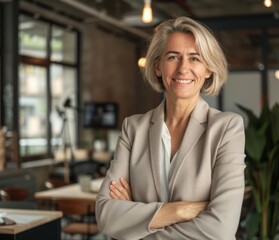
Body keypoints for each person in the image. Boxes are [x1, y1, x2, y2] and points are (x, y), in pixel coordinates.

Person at [96, 16, 245, 240]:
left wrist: (136, 220)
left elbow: (220, 228)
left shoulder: (227, 128)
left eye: (195, 58)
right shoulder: (133, 128)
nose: (183, 68)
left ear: (208, 69)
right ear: (157, 66)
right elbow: (106, 216)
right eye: (173, 57)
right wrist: (179, 210)